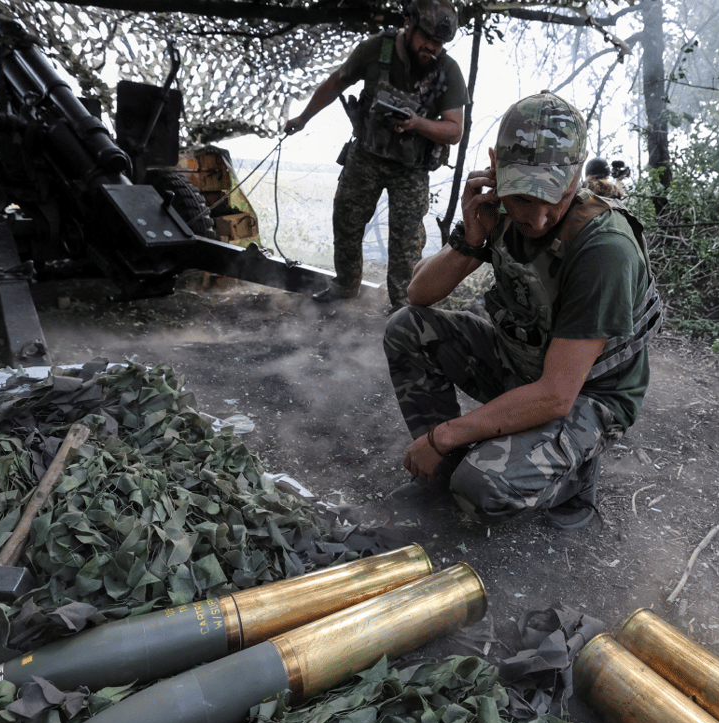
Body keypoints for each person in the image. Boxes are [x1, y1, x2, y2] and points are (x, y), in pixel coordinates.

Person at [382, 92, 662, 530]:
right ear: (495, 165)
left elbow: (556, 394)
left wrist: (443, 435)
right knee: (407, 329)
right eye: (524, 197)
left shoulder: (605, 249)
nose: (539, 217)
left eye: (558, 195)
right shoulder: (495, 209)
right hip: (523, 362)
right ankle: (450, 465)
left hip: (586, 394)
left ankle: (574, 479)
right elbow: (417, 294)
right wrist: (471, 241)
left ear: (577, 174)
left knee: (479, 489)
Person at [284, 0, 468, 312]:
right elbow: (337, 82)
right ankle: (345, 286)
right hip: (367, 156)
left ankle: (403, 306)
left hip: (411, 169)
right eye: (427, 39)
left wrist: (417, 123)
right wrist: (303, 118)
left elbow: (454, 130)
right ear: (408, 24)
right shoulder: (376, 50)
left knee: (407, 243)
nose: (432, 48)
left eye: (439, 43)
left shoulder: (447, 70)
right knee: (346, 221)